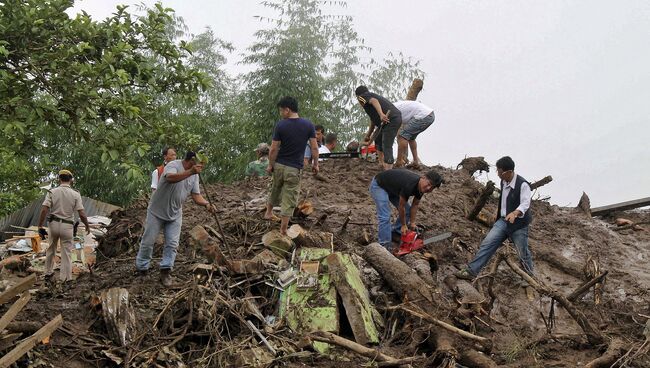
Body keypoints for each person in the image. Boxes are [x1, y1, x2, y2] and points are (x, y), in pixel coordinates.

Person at [136, 151, 215, 287]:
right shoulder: (173, 165)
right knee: (148, 241)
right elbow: (170, 178)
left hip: (175, 213)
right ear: (192, 160)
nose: (202, 166)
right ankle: (142, 269)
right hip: (156, 211)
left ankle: (166, 270)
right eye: (200, 163)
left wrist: (207, 204)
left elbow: (196, 196)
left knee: (172, 244)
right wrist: (190, 172)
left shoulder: (194, 175)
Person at [455, 156, 534, 280]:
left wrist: (515, 213)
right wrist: (497, 211)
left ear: (508, 172)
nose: (498, 174)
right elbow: (503, 197)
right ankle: (471, 271)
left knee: (522, 252)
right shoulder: (504, 181)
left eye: (499, 171)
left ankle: (529, 276)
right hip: (503, 222)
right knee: (487, 244)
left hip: (518, 224)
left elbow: (525, 204)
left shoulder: (523, 184)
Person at [265, 96, 319, 235]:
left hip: (279, 165)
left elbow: (273, 148)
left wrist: (271, 165)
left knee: (275, 188)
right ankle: (283, 230)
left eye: (281, 110)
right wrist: (316, 164)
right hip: (294, 168)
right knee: (289, 197)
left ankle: (269, 212)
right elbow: (314, 148)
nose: (281, 113)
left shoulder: (281, 125)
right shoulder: (308, 125)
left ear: (287, 110)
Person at [369, 168, 443, 252]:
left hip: (393, 189)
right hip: (379, 186)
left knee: (408, 211)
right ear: (423, 177)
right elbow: (401, 207)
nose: (428, 188)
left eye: (432, 188)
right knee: (385, 216)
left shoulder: (422, 188)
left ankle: (396, 233)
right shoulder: (410, 184)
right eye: (428, 184)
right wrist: (404, 225)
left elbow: (415, 204)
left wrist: (412, 223)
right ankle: (384, 244)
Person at [37, 169, 91, 283]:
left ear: (59, 179)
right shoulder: (76, 194)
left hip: (53, 224)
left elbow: (44, 210)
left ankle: (48, 273)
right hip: (67, 226)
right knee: (66, 252)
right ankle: (65, 278)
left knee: (51, 249)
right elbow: (81, 213)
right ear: (71, 180)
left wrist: (40, 226)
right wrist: (87, 226)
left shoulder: (52, 192)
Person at [355, 85, 402, 170]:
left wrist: (381, 114)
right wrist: (368, 136)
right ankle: (381, 164)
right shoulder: (369, 104)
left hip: (391, 119)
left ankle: (389, 167)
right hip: (392, 119)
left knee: (386, 143)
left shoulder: (362, 97)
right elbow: (373, 121)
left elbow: (374, 101)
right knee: (378, 139)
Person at [393, 100, 435, 168]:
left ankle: (399, 161)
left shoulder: (391, 109)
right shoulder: (394, 105)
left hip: (423, 116)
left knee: (402, 136)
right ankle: (416, 162)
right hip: (429, 115)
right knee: (411, 138)